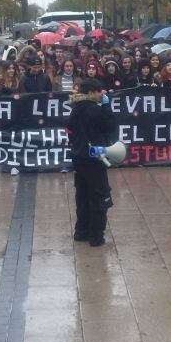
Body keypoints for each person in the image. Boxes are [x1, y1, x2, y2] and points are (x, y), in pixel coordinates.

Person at [66, 77, 115, 247]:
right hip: (95, 158)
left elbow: (70, 131)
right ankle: (96, 236)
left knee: (82, 194)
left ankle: (81, 231)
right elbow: (110, 126)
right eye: (99, 90)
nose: (102, 94)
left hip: (79, 157)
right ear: (91, 92)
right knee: (98, 196)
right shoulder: (94, 110)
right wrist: (107, 107)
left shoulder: (75, 108)